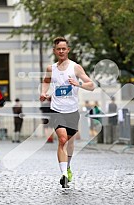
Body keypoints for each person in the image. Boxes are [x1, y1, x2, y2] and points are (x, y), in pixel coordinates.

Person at [40, 36, 95, 188]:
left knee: (70, 143)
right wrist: (44, 93)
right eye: (59, 49)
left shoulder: (75, 67)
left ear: (68, 50)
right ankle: (63, 174)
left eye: (64, 48)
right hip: (56, 110)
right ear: (54, 51)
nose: (61, 51)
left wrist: (79, 84)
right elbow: (45, 82)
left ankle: (68, 166)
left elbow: (92, 85)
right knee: (62, 140)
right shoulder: (51, 69)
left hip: (72, 111)